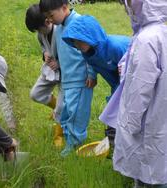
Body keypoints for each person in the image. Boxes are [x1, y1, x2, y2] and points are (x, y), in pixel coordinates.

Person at [104, 0, 167, 187]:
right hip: (160, 112)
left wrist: (128, 126)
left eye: (130, 3)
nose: (126, 8)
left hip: (146, 120)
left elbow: (140, 89)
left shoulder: (146, 39)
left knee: (148, 170)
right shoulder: (162, 32)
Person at [62, 15, 130, 147]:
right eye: (74, 42)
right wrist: (92, 75)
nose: (76, 45)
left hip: (131, 77)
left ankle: (120, 140)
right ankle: (113, 141)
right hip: (116, 80)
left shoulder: (115, 46)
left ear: (90, 36)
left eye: (79, 41)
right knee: (114, 105)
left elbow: (131, 63)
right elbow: (92, 63)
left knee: (120, 106)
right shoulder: (87, 52)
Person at [39, 0, 97, 156]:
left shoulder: (78, 22)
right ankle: (69, 139)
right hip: (67, 79)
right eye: (47, 17)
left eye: (51, 15)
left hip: (81, 79)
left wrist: (91, 73)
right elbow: (57, 52)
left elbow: (91, 49)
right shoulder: (58, 28)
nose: (49, 20)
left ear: (64, 8)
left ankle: (75, 145)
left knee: (77, 113)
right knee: (66, 111)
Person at [25, 4, 64, 147]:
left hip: (65, 72)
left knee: (62, 106)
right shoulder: (41, 34)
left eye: (39, 29)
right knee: (35, 94)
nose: (39, 32)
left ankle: (59, 135)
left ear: (48, 21)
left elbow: (72, 53)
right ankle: (56, 108)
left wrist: (59, 63)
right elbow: (43, 46)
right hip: (50, 71)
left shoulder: (60, 31)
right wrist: (45, 54)